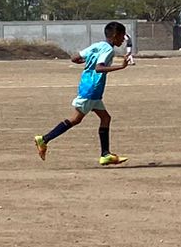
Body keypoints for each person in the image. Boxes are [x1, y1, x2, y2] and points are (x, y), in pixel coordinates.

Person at [35, 21, 132, 166]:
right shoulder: (108, 50)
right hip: (92, 89)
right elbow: (99, 68)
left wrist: (88, 63)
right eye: (122, 36)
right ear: (115, 35)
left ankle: (105, 154)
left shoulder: (97, 46)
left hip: (89, 87)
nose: (123, 40)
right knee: (75, 119)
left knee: (105, 118)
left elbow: (75, 58)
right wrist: (121, 67)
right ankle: (44, 139)